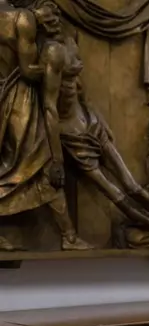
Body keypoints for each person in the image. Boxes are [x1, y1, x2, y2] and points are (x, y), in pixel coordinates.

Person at [38, 6, 149, 245]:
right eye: (45, 20)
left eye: (53, 17)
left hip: (90, 121)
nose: (51, 22)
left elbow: (81, 90)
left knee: (131, 184)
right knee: (115, 195)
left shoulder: (70, 40)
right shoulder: (49, 53)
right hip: (71, 134)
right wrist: (56, 159)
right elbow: (49, 107)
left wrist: (99, 119)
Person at [0, 0, 91, 250]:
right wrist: (52, 70)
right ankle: (69, 236)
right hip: (18, 98)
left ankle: (69, 236)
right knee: (40, 162)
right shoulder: (23, 18)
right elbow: (28, 71)